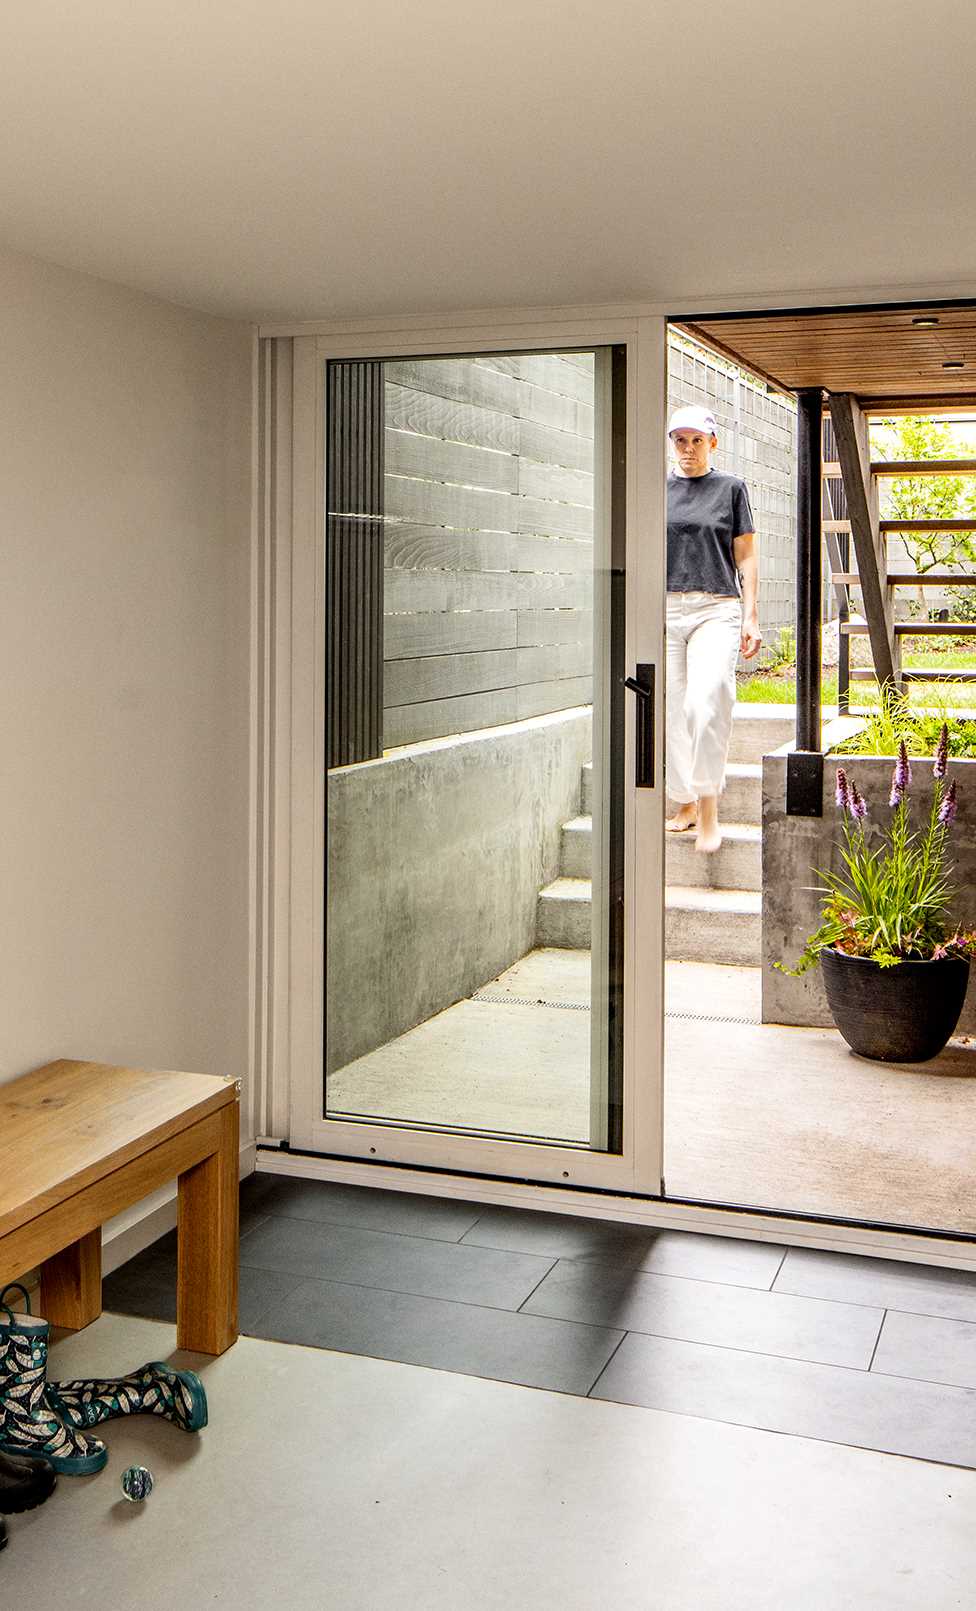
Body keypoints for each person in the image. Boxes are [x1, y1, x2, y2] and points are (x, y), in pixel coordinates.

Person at [664, 405, 761, 853]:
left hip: (715, 607)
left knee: (706, 703)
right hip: (662, 611)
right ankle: (682, 801)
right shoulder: (656, 488)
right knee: (672, 711)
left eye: (696, 440)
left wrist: (751, 616)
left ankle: (708, 811)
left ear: (712, 443)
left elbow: (746, 556)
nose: (687, 449)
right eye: (679, 440)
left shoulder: (730, 488)